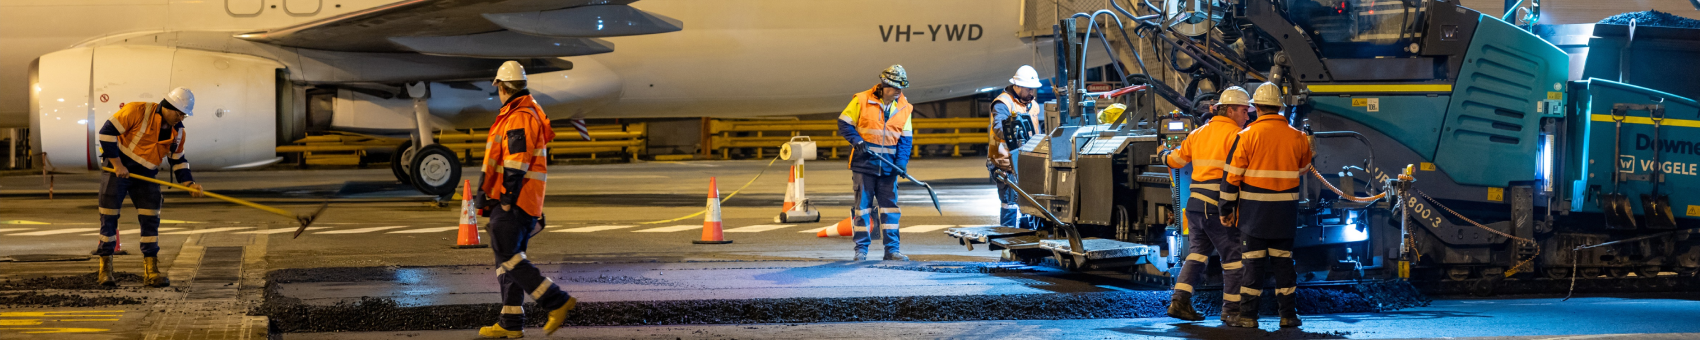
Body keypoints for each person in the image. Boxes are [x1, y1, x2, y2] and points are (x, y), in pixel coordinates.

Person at [475, 60, 576, 338]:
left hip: (515, 201)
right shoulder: (518, 112)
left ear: (502, 86)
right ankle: (511, 322)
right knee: (506, 258)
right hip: (514, 200)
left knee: (508, 256)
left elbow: (516, 162)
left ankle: (557, 301)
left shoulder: (520, 115)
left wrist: (506, 198)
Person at [1221, 82, 1313, 329]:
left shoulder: (1246, 136)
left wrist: (1225, 209)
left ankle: (1248, 317)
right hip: (1284, 214)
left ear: (1257, 108)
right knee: (1284, 264)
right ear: (1280, 108)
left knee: (1252, 264)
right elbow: (1303, 168)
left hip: (1254, 216)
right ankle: (1288, 316)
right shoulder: (1299, 137)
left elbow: (1232, 176)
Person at [1159, 86, 1254, 324]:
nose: (1247, 116)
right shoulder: (1239, 136)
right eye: (1244, 110)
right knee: (1233, 258)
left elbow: (1175, 160)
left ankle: (1179, 302)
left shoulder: (1198, 133)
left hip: (1195, 206)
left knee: (1197, 255)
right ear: (1230, 110)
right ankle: (1232, 312)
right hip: (1218, 206)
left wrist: (1163, 153)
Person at [92, 87, 205, 288]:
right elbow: (106, 134)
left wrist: (189, 183)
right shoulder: (136, 111)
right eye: (179, 114)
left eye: (184, 115)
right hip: (117, 171)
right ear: (167, 107)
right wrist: (118, 165)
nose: (181, 119)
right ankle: (105, 270)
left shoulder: (178, 131)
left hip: (147, 175)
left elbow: (178, 159)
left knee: (151, 219)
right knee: (108, 218)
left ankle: (151, 270)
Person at [837, 65, 916, 261]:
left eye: (901, 87)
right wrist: (857, 141)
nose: (899, 91)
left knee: (890, 210)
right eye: (896, 87)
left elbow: (906, 139)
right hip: (864, 165)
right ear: (884, 84)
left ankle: (892, 250)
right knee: (862, 209)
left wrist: (902, 163)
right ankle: (861, 250)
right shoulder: (862, 100)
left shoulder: (905, 107)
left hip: (889, 167)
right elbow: (844, 123)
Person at [988, 65, 1046, 229]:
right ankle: (1008, 250)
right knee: (1010, 204)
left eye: (1033, 90)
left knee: (1029, 208)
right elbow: (1000, 130)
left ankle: (1026, 248)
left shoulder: (1032, 103)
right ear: (1017, 86)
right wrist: (1015, 128)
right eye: (1029, 89)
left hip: (1027, 163)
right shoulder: (1002, 103)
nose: (1032, 93)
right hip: (1006, 165)